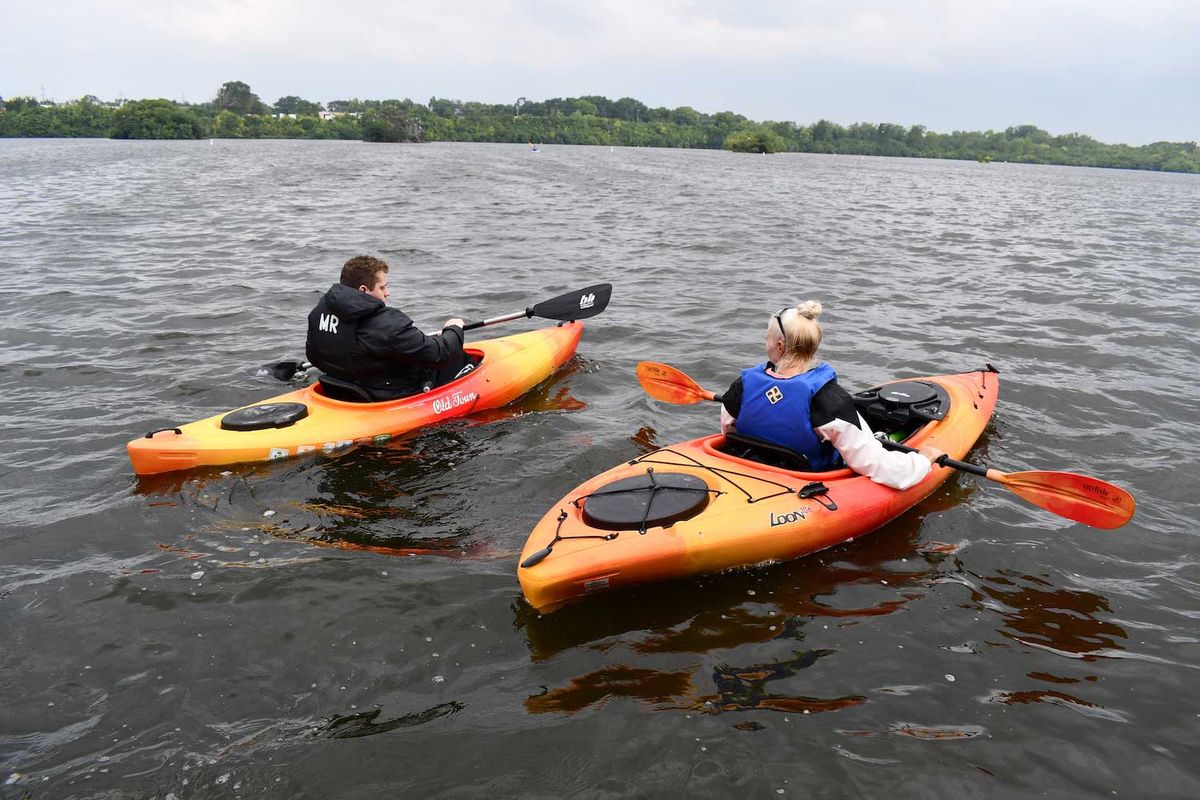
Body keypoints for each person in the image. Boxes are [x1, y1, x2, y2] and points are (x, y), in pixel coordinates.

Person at [720, 301, 944, 490]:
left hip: (750, 472)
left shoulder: (742, 387)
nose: (764, 343)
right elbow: (879, 466)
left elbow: (729, 431)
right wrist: (922, 460)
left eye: (766, 338)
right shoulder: (829, 400)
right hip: (802, 482)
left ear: (779, 346)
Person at [306, 255, 469, 401]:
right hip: (386, 394)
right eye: (382, 287)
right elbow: (439, 354)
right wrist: (454, 329)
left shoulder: (319, 313)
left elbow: (312, 355)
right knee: (458, 358)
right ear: (363, 290)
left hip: (342, 387)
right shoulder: (387, 324)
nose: (387, 293)